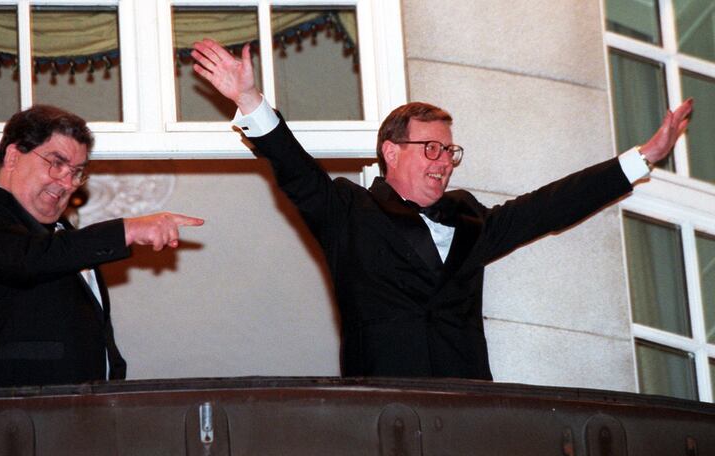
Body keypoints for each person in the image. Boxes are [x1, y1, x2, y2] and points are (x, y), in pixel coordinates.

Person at [191, 39, 694, 379]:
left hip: (467, 406)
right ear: (391, 152)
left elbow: (550, 207)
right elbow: (296, 170)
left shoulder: (470, 218)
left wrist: (641, 159)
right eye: (430, 148)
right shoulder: (349, 210)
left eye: (449, 151)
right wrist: (251, 98)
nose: (443, 163)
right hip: (383, 407)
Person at [0, 104, 204, 388]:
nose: (67, 182)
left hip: (86, 413)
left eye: (76, 172)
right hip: (18, 415)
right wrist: (127, 229)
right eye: (56, 163)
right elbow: (28, 259)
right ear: (14, 157)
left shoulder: (66, 236)